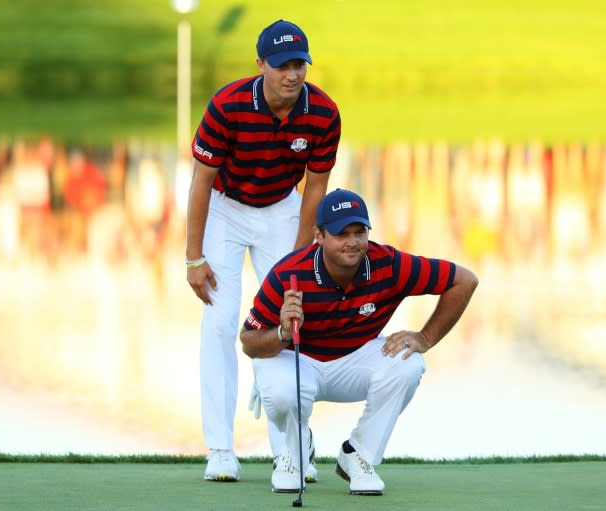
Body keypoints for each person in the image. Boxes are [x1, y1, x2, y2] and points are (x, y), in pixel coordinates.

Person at [239, 188, 478, 494]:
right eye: (341, 234)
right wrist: (283, 332)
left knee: (409, 363)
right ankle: (291, 455)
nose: (352, 242)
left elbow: (464, 280)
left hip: (353, 357)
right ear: (319, 235)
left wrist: (425, 337)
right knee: (282, 390)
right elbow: (248, 341)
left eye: (359, 231)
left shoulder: (388, 264)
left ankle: (357, 456)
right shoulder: (289, 274)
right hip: (296, 359)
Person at [186, 19, 341, 482]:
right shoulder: (228, 104)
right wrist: (194, 257)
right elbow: (201, 182)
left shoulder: (323, 113)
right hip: (225, 210)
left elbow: (316, 190)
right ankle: (220, 449)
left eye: (299, 65)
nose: (292, 75)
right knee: (219, 320)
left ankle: (291, 451)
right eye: (282, 66)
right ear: (261, 65)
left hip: (283, 211)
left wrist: (298, 261)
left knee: (289, 320)